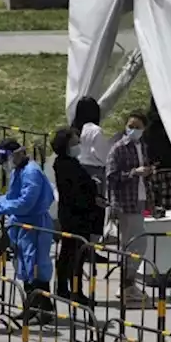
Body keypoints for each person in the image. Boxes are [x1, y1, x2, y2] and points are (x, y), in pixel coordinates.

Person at [0, 140, 56, 324]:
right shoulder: (18, 171)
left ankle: (44, 310)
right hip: (21, 226)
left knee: (36, 268)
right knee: (25, 268)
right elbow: (12, 197)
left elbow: (26, 202)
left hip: (34, 225)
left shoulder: (31, 172)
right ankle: (31, 307)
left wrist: (2, 207)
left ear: (17, 154)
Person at [106, 111, 154, 304]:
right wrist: (134, 173)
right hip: (126, 203)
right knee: (134, 244)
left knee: (137, 244)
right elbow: (111, 176)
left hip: (140, 199)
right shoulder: (118, 148)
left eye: (138, 127)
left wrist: (148, 172)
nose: (133, 130)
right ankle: (127, 284)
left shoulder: (142, 146)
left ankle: (128, 283)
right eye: (130, 126)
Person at [52, 128, 103, 306]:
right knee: (75, 256)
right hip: (77, 216)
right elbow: (75, 192)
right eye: (74, 143)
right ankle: (75, 291)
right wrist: (92, 197)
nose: (78, 146)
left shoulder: (69, 163)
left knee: (68, 254)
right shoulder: (67, 165)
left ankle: (64, 288)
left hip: (72, 215)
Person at [73, 96, 114, 189]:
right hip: (94, 171)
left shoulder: (74, 128)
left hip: (77, 168)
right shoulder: (95, 131)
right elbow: (103, 154)